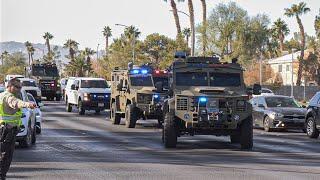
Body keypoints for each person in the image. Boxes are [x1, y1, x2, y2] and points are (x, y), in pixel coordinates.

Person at [0, 78, 36, 180]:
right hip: (7, 130)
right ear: (10, 86)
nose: (19, 89)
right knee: (5, 156)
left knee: (5, 155)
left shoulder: (1, 95)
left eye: (20, 87)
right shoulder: (8, 97)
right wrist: (28, 104)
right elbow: (16, 103)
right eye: (17, 87)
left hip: (6, 129)